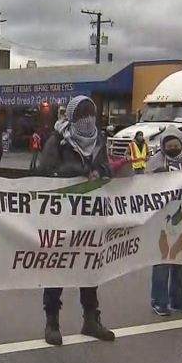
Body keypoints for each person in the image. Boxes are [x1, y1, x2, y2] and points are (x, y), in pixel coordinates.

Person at [37, 95, 116, 345]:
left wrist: (99, 172)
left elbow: (107, 169)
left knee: (89, 268)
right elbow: (45, 172)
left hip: (89, 216)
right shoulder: (58, 141)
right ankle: (52, 321)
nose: (87, 121)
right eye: (82, 116)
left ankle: (91, 319)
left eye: (90, 115)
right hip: (62, 216)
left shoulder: (98, 141)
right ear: (72, 118)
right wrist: (80, 174)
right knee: (58, 267)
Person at [147, 127, 182, 317]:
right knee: (162, 260)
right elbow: (147, 187)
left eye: (176, 145)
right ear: (163, 146)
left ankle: (178, 299)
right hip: (163, 217)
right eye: (169, 146)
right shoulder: (156, 162)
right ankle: (158, 300)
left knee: (180, 260)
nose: (174, 148)